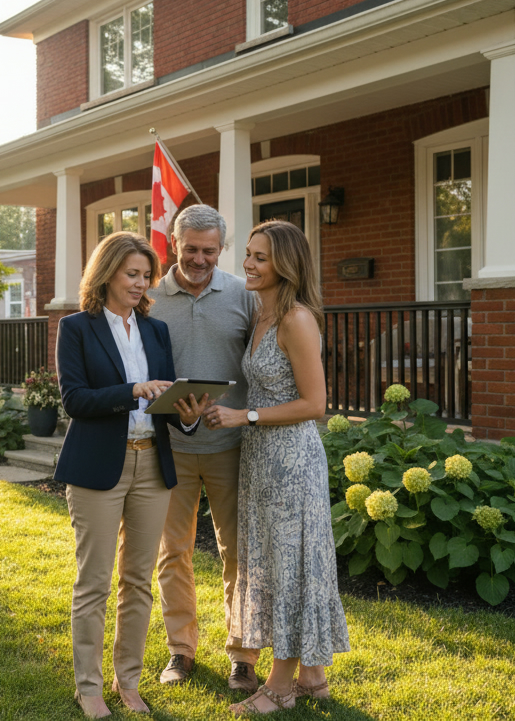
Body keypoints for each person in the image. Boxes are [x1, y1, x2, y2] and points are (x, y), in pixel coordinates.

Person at [55, 231, 207, 719]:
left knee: (138, 581)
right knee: (94, 582)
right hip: (99, 465)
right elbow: (75, 400)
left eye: (146, 275)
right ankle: (89, 688)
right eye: (132, 274)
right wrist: (133, 388)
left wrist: (187, 412)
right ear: (107, 274)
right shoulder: (77, 327)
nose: (142, 283)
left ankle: (129, 681)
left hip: (152, 463)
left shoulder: (156, 330)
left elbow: (165, 402)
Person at [202, 220, 350, 714]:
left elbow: (315, 403)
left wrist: (244, 415)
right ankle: (314, 678)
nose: (247, 263)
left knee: (287, 565)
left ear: (285, 263)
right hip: (260, 457)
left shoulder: (296, 320)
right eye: (247, 254)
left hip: (292, 459)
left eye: (260, 257)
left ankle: (280, 686)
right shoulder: (263, 315)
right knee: (273, 561)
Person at [143, 205, 260, 691]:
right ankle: (181, 650)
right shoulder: (149, 298)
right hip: (168, 445)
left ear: (221, 249)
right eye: (191, 248)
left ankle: (243, 655)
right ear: (175, 243)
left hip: (232, 444)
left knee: (240, 552)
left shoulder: (241, 294)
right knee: (174, 552)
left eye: (209, 250)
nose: (199, 258)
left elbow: (264, 359)